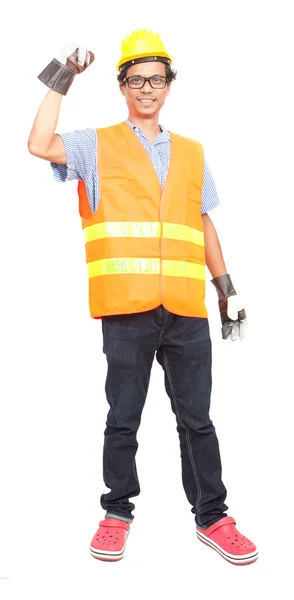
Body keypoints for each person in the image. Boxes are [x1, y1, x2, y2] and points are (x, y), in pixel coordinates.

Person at [28, 29, 257, 566]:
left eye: (156, 79)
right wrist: (63, 74)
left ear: (169, 86)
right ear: (123, 86)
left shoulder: (193, 153)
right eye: (136, 80)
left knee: (197, 419)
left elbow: (201, 222)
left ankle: (213, 517)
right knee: (123, 417)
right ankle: (116, 512)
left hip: (183, 309)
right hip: (127, 310)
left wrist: (226, 289)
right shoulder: (95, 144)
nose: (146, 89)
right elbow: (39, 143)